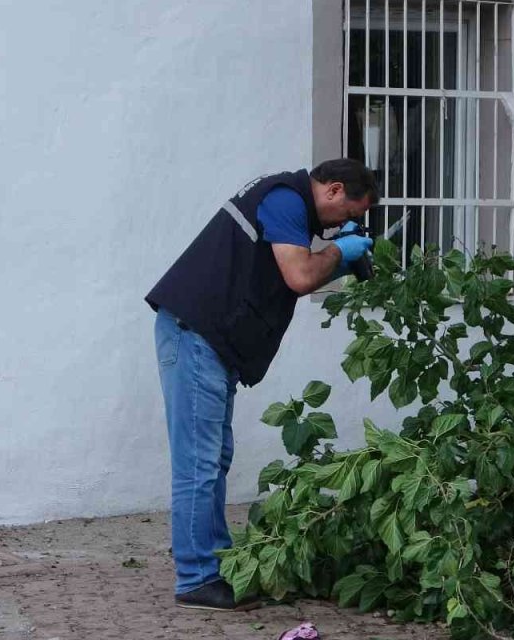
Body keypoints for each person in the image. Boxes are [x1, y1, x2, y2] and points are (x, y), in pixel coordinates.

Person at [144, 159, 378, 611]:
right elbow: (300, 276)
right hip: (195, 337)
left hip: (209, 341)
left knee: (213, 459)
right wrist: (340, 253)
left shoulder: (287, 205)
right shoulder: (286, 199)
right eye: (349, 214)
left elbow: (296, 272)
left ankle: (216, 566)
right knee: (199, 463)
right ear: (333, 190)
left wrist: (343, 264)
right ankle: (196, 579)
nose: (342, 225)